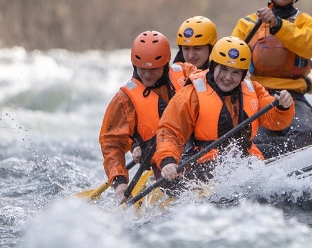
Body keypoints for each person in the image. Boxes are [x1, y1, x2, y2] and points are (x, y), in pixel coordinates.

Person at [153, 36, 295, 184]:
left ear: (243, 74)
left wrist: (283, 106)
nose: (228, 77)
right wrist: (168, 160)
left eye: (235, 72)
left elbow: (275, 121)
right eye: (224, 69)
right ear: (213, 67)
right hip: (204, 163)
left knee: (286, 146)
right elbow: (170, 130)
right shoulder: (191, 93)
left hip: (245, 159)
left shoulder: (254, 89)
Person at [230, 0, 312, 159]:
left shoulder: (307, 23)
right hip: (256, 96)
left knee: (304, 135)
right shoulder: (247, 24)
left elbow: (310, 46)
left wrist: (278, 25)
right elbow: (231, 60)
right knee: (255, 140)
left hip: (293, 96)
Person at [99, 30, 185, 202]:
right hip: (163, 168)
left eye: (153, 69)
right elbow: (111, 143)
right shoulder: (124, 100)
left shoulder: (186, 75)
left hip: (194, 153)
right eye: (142, 69)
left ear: (166, 64)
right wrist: (120, 182)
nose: (147, 75)